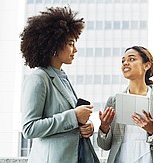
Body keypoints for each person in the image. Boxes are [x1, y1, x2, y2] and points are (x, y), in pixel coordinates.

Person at [20, 6, 99, 163]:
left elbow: (69, 123)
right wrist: (73, 116)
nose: (75, 49)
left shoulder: (61, 77)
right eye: (70, 43)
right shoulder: (39, 78)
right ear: (54, 46)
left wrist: (86, 126)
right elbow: (29, 128)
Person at [97, 46, 153, 163]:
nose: (125, 63)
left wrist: (152, 130)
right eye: (123, 61)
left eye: (132, 59)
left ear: (147, 65)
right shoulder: (114, 101)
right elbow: (104, 145)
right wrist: (104, 127)